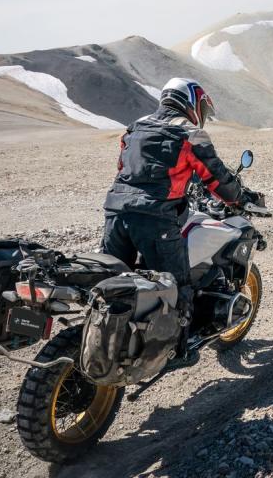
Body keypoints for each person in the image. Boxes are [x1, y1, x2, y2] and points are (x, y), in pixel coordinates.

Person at [101, 77, 253, 356]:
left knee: (112, 286)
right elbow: (216, 177)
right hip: (155, 219)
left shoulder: (136, 127)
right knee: (176, 288)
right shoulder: (189, 134)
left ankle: (106, 342)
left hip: (115, 213)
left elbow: (129, 168)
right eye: (202, 110)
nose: (202, 117)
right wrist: (240, 198)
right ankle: (176, 351)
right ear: (192, 103)